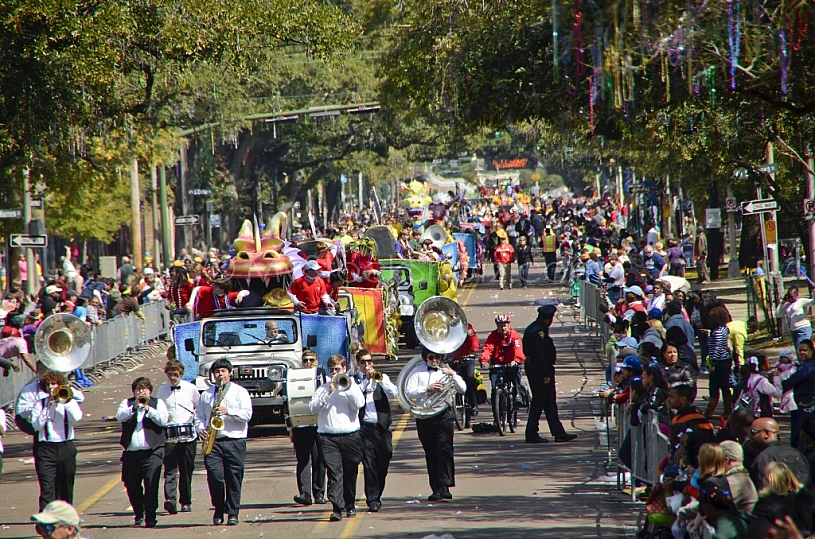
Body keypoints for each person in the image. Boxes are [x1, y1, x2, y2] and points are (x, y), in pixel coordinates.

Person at [194, 358, 253, 526]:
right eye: (217, 372)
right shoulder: (206, 394)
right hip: (214, 441)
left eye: (223, 372)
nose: (220, 375)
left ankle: (233, 512)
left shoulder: (240, 392)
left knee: (234, 478)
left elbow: (247, 415)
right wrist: (201, 429)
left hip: (235, 439)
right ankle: (218, 509)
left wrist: (229, 411)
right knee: (215, 477)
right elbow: (198, 416)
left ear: (230, 373)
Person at [404, 347, 466, 501]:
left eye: (437, 357)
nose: (435, 361)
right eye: (431, 358)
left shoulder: (446, 371)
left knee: (444, 448)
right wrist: (427, 389)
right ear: (426, 358)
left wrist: (453, 375)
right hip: (425, 416)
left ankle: (445, 486)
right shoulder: (417, 372)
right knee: (431, 452)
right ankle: (436, 488)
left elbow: (462, 389)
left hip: (444, 414)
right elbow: (408, 392)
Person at [309, 354, 365, 521]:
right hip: (328, 437)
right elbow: (313, 408)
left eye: (337, 369)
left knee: (350, 472)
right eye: (332, 370)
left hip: (351, 436)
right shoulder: (322, 388)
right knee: (334, 472)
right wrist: (328, 392)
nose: (334, 373)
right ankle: (336, 508)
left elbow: (359, 404)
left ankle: (350, 504)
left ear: (344, 369)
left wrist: (346, 389)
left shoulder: (352, 385)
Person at [22, 369, 85, 510]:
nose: (51, 387)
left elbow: (77, 417)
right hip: (46, 449)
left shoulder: (69, 402)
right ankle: (46, 519)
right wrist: (47, 408)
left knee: (66, 485)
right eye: (49, 385)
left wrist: (65, 401)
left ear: (60, 385)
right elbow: (37, 426)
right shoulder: (40, 403)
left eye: (54, 384)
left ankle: (65, 516)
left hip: (65, 446)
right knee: (47, 487)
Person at [116, 376, 170, 528]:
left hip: (152, 451)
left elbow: (163, 420)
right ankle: (139, 512)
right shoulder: (126, 403)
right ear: (134, 391)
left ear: (150, 391)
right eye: (138, 389)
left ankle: (151, 516)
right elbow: (119, 416)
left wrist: (149, 410)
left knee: (151, 483)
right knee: (131, 484)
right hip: (132, 453)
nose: (141, 392)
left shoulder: (157, 403)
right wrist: (134, 407)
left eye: (144, 389)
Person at [522, 304, 577, 443]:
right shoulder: (538, 331)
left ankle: (558, 432)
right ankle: (531, 432)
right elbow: (541, 355)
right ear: (549, 318)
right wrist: (546, 374)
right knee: (539, 400)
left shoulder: (536, 328)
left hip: (538, 367)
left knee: (549, 402)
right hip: (539, 369)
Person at [355, 349, 397, 512]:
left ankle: (377, 493)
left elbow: (394, 393)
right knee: (369, 464)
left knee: (384, 460)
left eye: (370, 361)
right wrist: (365, 384)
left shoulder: (382, 377)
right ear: (358, 364)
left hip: (381, 427)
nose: (367, 365)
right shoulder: (355, 381)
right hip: (364, 427)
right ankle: (372, 499)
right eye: (364, 362)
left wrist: (378, 381)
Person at [156, 359, 200, 515]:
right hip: (170, 435)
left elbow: (198, 406)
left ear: (181, 374)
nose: (172, 378)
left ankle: (186, 501)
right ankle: (171, 500)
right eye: (170, 375)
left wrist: (195, 415)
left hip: (188, 436)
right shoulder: (161, 391)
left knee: (186, 470)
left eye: (175, 375)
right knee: (170, 470)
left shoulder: (191, 389)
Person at [292, 350, 327, 507]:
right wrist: (290, 428)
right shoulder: (295, 377)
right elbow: (288, 402)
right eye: (305, 360)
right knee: (303, 460)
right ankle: (305, 494)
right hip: (300, 425)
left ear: (317, 360)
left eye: (311, 360)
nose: (308, 363)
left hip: (319, 425)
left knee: (319, 460)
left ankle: (319, 493)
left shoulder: (323, 377)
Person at [748, 417, 811, 490]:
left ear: (767, 433)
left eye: (753, 431)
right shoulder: (797, 453)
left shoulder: (763, 458)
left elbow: (760, 488)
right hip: (801, 499)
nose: (750, 436)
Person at [480, 314, 524, 403]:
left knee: (515, 373)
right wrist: (484, 360)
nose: (503, 328)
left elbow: (518, 348)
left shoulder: (514, 335)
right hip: (497, 364)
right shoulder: (493, 336)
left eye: (504, 325)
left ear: (508, 325)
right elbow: (488, 348)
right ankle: (495, 403)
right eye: (500, 326)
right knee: (494, 387)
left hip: (511, 364)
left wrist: (516, 360)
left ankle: (517, 393)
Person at [781, 339, 815, 449]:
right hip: (807, 405)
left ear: (811, 351)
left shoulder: (807, 367)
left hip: (803, 406)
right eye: (800, 350)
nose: (802, 353)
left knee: (798, 437)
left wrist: (779, 381)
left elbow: (789, 383)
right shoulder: (805, 366)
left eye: (805, 350)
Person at [705, 305, 734, 420]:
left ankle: (712, 410)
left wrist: (712, 362)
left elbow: (716, 347)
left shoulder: (717, 332)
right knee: (723, 386)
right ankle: (726, 410)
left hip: (719, 362)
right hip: (725, 360)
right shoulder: (724, 330)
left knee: (715, 386)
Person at [776, 286, 815, 360]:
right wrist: (782, 302)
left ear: (797, 295)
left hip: (803, 329)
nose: (790, 299)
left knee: (803, 350)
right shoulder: (788, 305)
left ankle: (808, 366)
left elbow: (813, 302)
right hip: (794, 331)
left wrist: (814, 290)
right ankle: (803, 366)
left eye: (792, 297)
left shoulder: (801, 301)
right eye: (788, 296)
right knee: (798, 352)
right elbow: (778, 314)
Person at [450, 322, 480, 416]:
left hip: (467, 357)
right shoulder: (446, 327)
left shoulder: (467, 327)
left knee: (470, 377)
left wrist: (474, 349)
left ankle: (473, 404)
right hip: (452, 357)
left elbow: (473, 338)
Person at [719, 440, 758, 512]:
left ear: (725, 460)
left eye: (717, 458)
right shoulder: (741, 476)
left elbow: (714, 504)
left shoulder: (735, 481)